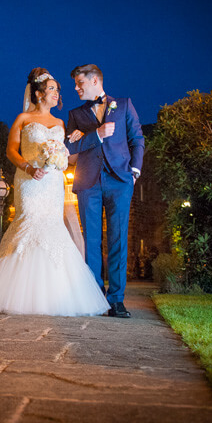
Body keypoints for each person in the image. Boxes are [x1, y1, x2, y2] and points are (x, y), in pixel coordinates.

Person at [0, 68, 109, 316]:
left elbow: (69, 158)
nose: (57, 93)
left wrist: (75, 142)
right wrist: (29, 168)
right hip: (29, 181)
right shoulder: (23, 119)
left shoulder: (61, 124)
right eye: (52, 89)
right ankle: (10, 296)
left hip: (53, 183)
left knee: (52, 230)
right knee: (28, 224)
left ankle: (53, 297)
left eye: (58, 90)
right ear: (39, 94)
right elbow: (11, 151)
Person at [65, 64, 145, 318]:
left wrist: (134, 171)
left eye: (80, 83)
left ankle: (117, 300)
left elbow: (137, 139)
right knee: (91, 241)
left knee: (118, 239)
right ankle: (95, 298)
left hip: (119, 181)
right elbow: (69, 148)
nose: (76, 88)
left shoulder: (124, 105)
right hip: (88, 182)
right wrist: (94, 134)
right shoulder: (75, 114)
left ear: (95, 81)